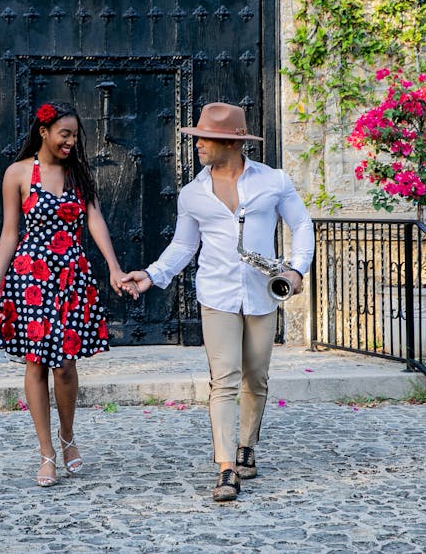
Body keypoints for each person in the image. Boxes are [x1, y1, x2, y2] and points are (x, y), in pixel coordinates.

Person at [121, 102, 314, 502]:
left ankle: (247, 445)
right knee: (223, 380)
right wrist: (152, 275)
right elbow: (183, 246)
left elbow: (301, 223)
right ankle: (227, 467)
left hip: (264, 292)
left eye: (204, 139)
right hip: (217, 294)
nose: (197, 145)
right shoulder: (193, 194)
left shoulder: (273, 181)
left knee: (255, 377)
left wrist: (296, 270)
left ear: (230, 142)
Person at [0, 102, 126, 487]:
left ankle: (69, 439)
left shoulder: (79, 174)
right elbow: (10, 231)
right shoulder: (17, 173)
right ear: (44, 131)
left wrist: (113, 267)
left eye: (75, 135)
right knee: (36, 363)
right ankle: (46, 452)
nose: (71, 141)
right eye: (65, 133)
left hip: (71, 277)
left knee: (65, 365)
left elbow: (94, 219)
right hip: (30, 279)